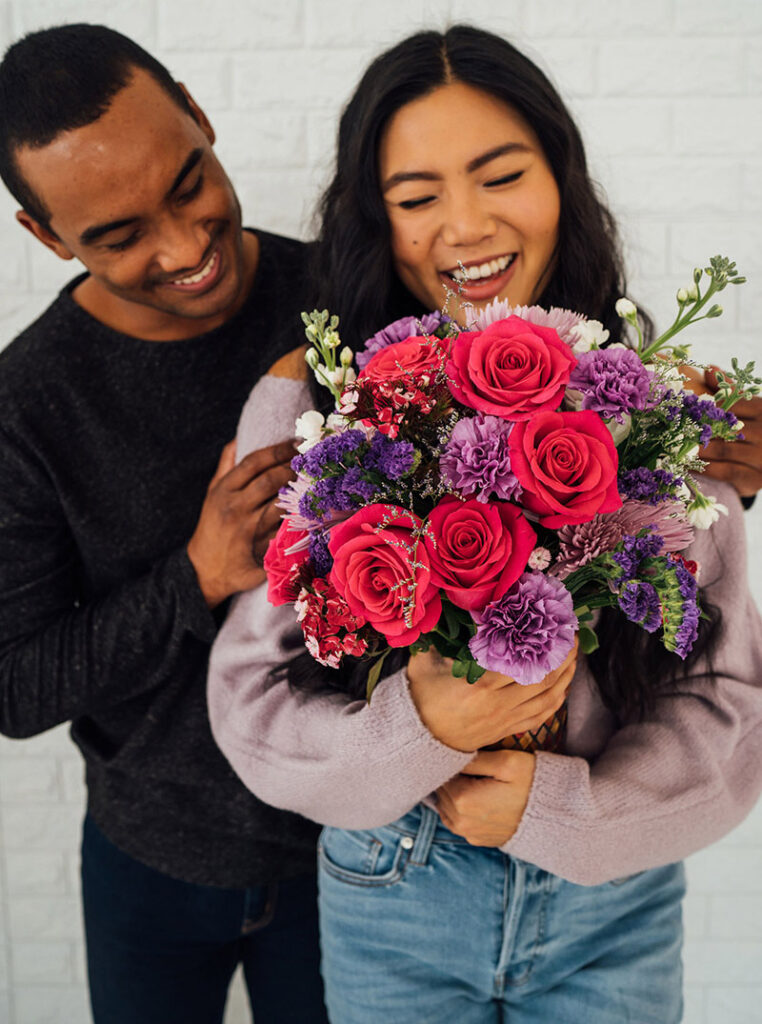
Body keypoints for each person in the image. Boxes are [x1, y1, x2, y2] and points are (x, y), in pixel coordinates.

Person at [207, 25, 762, 1024]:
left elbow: (725, 711)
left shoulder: (662, 409)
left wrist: (563, 812)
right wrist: (419, 728)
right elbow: (252, 706)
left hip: (616, 904)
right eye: (417, 198)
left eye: (501, 174)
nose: (463, 226)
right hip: (393, 898)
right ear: (375, 219)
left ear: (562, 177)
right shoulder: (311, 415)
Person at [0, 24, 329, 1024]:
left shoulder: (339, 296)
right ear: (49, 239)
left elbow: (506, 510)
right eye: (119, 234)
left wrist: (713, 484)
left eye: (189, 184)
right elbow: (15, 686)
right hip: (150, 864)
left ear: (198, 110)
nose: (184, 248)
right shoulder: (28, 402)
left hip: (359, 855)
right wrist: (197, 573)